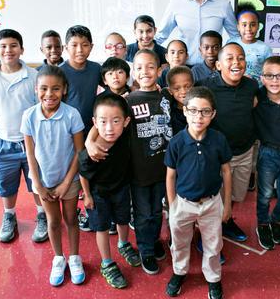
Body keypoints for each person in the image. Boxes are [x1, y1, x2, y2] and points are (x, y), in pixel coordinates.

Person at [85, 49, 173, 275]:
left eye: (151, 67)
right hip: (139, 172)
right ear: (133, 72)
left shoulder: (166, 97)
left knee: (156, 211)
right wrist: (89, 143)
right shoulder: (128, 100)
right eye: (140, 68)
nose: (145, 72)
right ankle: (145, 250)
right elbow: (102, 121)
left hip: (163, 170)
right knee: (143, 214)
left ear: (160, 70)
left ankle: (153, 241)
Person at [0, 29, 47, 244]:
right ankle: (9, 215)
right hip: (3, 144)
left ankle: (42, 214)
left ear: (22, 49)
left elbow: (41, 111)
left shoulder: (34, 76)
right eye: (4, 46)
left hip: (31, 144)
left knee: (36, 181)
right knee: (6, 184)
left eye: (14, 45)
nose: (9, 50)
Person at [164, 87, 232, 299]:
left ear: (213, 114)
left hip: (211, 203)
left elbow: (227, 171)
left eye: (205, 111)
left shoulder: (219, 139)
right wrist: (173, 204)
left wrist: (226, 204)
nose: (198, 116)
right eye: (193, 110)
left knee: (213, 244)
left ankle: (213, 278)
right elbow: (170, 176)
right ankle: (179, 272)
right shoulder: (176, 142)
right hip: (183, 204)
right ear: (184, 111)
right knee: (180, 242)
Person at [21, 66, 85, 286]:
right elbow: (30, 152)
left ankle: (75, 257)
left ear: (64, 89)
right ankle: (59, 258)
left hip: (70, 179)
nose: (50, 94)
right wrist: (37, 183)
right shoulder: (29, 116)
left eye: (56, 89)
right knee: (53, 221)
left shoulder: (72, 114)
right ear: (35, 89)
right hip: (44, 180)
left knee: (71, 219)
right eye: (44, 88)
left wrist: (67, 183)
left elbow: (79, 151)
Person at [78, 94, 142, 289]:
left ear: (126, 121)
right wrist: (87, 195)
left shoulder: (125, 136)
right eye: (103, 122)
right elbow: (83, 174)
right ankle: (107, 262)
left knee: (123, 220)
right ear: (94, 122)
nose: (109, 128)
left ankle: (123, 244)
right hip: (98, 194)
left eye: (116, 121)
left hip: (121, 189)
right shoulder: (92, 151)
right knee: (102, 227)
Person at [198, 43, 259, 242]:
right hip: (218, 156)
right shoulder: (206, 87)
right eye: (230, 58)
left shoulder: (251, 86)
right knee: (214, 198)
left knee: (235, 195)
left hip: (245, 151)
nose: (236, 62)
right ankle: (208, 236)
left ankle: (227, 222)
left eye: (241, 58)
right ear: (218, 65)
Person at [253, 56, 280, 250]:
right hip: (267, 152)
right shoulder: (257, 98)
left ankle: (275, 220)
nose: (274, 80)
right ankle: (262, 224)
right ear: (262, 78)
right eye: (269, 76)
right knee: (265, 194)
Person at [60, 25, 102, 136]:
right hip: (67, 130)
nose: (80, 50)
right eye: (74, 45)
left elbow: (110, 88)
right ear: (66, 47)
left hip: (92, 128)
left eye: (85, 45)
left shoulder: (96, 68)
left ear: (91, 47)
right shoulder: (59, 72)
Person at [228, 4, 272, 83]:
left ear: (258, 26)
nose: (248, 29)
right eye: (244, 25)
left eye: (253, 25)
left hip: (257, 89)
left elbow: (269, 72)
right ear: (238, 27)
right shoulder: (231, 44)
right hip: (235, 87)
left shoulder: (265, 48)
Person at [164, 66, 193, 135]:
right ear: (170, 91)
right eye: (177, 88)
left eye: (187, 86)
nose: (183, 91)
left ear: (193, 86)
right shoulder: (169, 111)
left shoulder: (199, 109)